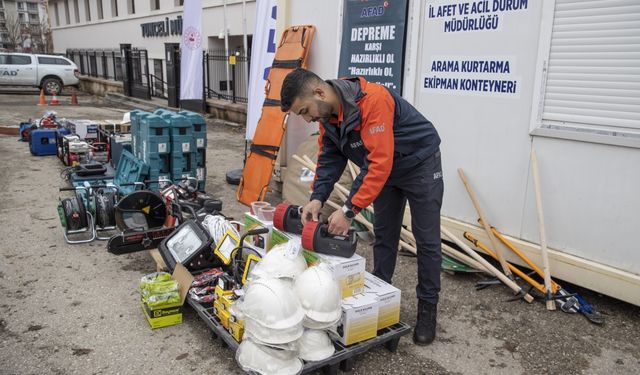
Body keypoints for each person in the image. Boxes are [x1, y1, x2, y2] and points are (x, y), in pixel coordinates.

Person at [280, 68, 443, 345]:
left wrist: (349, 211)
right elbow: (330, 158)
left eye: (305, 110)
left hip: (419, 165)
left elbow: (379, 162)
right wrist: (317, 197)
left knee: (426, 239)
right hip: (386, 170)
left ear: (319, 92)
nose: (307, 118)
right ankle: (381, 297)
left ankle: (427, 308)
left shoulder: (373, 100)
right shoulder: (329, 116)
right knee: (384, 235)